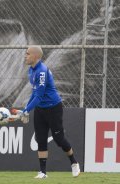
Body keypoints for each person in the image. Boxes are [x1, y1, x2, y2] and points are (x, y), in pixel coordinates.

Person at [18, 46, 80, 179]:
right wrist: (26, 110)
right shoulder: (31, 70)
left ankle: (74, 163)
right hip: (40, 109)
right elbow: (34, 93)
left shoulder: (41, 72)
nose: (25, 56)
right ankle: (43, 172)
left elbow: (39, 96)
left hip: (53, 108)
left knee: (59, 139)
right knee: (41, 139)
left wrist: (26, 111)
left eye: (27, 54)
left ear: (35, 56)